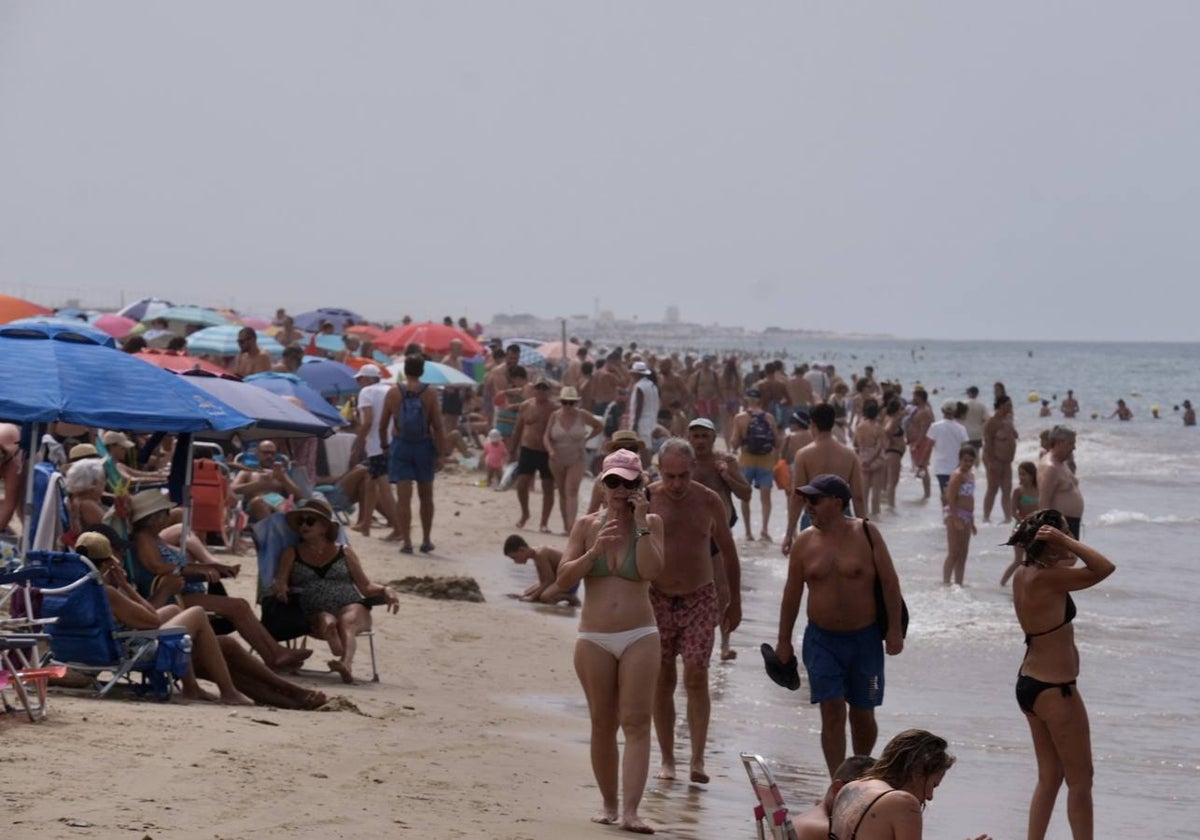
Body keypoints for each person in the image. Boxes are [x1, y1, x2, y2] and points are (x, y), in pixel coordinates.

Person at [76, 530, 326, 710]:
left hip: (120, 642)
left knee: (224, 645)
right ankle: (230, 692)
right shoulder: (107, 592)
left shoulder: (78, 586)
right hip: (131, 648)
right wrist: (125, 586)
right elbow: (151, 619)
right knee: (195, 615)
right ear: (108, 562)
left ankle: (290, 697)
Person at [555, 449, 665, 834]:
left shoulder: (651, 523)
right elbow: (563, 579)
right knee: (602, 722)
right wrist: (594, 552)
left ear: (641, 485)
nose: (621, 490)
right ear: (602, 484)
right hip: (594, 637)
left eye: (629, 483)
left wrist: (641, 525)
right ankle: (608, 804)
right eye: (614, 482)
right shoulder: (586, 526)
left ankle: (632, 811)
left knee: (636, 721)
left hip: (640, 634)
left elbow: (653, 571)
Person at [775, 474, 904, 777]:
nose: (808, 506)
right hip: (821, 640)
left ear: (837, 502)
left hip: (866, 640)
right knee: (831, 709)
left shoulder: (867, 533)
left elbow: (890, 582)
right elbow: (791, 595)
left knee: (862, 712)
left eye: (814, 500)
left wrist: (894, 630)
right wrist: (783, 642)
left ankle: (859, 768)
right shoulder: (804, 543)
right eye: (806, 500)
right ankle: (837, 780)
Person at [1007, 510, 1115, 840]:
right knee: (1081, 780)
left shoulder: (1025, 574)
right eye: (1067, 533)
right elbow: (1105, 567)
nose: (1072, 538)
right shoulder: (1048, 578)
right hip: (1056, 690)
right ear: (1051, 544)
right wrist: (1065, 540)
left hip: (1030, 684)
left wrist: (1059, 541)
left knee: (1050, 777)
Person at [128, 489, 311, 672]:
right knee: (238, 606)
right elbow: (158, 567)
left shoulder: (153, 537)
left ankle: (274, 653)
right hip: (171, 596)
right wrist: (199, 569)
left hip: (180, 591)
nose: (168, 517)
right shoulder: (143, 538)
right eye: (165, 513)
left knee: (239, 606)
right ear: (154, 518)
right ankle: (275, 654)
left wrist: (215, 569)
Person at [647, 438, 741, 784]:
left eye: (683, 476)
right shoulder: (647, 497)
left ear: (692, 471)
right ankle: (668, 759)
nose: (676, 484)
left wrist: (735, 601)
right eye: (669, 476)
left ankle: (698, 759)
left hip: (701, 597)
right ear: (659, 471)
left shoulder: (708, 500)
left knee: (696, 676)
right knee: (662, 678)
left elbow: (729, 552)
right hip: (656, 597)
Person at [272, 498, 399, 683]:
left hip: (350, 603)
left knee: (347, 620)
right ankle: (333, 635)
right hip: (312, 609)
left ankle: (345, 663)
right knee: (325, 618)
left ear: (324, 527)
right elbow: (281, 581)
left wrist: (386, 589)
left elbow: (365, 586)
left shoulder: (344, 551)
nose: (303, 526)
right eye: (301, 522)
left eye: (310, 521)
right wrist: (281, 588)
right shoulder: (292, 552)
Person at [829, 730, 989, 840]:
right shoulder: (902, 802)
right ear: (917, 772)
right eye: (934, 784)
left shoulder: (851, 788)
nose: (930, 796)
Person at [379, 355, 447, 554]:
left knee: (403, 497)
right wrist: (441, 454)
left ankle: (407, 542)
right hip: (423, 447)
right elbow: (438, 426)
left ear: (405, 370)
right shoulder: (430, 393)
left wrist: (385, 447)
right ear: (422, 371)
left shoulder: (393, 392)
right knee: (426, 496)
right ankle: (426, 540)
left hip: (400, 447)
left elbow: (383, 426)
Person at [782, 404, 865, 556]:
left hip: (813, 514)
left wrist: (789, 534)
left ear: (812, 424)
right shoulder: (850, 455)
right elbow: (858, 497)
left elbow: (797, 497)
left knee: (814, 570)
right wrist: (864, 531)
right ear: (832, 423)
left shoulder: (803, 455)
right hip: (842, 516)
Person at [350, 365, 402, 541]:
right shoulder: (391, 390)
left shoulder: (366, 392)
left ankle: (398, 527)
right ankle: (365, 523)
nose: (358, 382)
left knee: (383, 484)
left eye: (360, 379)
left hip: (377, 445)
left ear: (367, 379)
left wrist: (357, 444)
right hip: (393, 442)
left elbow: (368, 421)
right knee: (370, 481)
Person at [544, 386, 604, 535]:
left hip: (577, 457)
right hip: (556, 458)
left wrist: (587, 438)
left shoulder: (582, 415)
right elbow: (546, 436)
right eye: (565, 402)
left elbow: (599, 426)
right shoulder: (554, 416)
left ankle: (572, 527)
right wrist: (550, 450)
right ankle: (566, 525)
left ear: (576, 403)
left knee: (571, 490)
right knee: (563, 492)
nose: (569, 406)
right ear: (561, 402)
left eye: (572, 403)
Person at [730, 388, 779, 542]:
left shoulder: (740, 418)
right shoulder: (769, 417)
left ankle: (748, 532)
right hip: (766, 460)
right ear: (759, 400)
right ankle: (764, 529)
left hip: (747, 460)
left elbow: (735, 442)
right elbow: (777, 442)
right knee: (766, 498)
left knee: (745, 497)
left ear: (747, 400)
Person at [510, 377, 558, 533]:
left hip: (546, 451)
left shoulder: (555, 408)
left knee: (547, 487)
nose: (541, 391)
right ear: (534, 389)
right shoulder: (526, 406)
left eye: (545, 388)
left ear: (549, 391)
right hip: (528, 449)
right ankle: (525, 514)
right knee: (521, 484)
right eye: (539, 388)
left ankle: (544, 522)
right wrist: (512, 450)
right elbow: (518, 430)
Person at [792, 755, 875, 840]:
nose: (871, 808)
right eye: (867, 799)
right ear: (838, 789)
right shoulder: (825, 830)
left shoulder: (809, 817)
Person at [231, 440, 302, 522]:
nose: (269, 456)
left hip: (278, 503)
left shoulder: (281, 473)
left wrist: (283, 479)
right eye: (265, 453)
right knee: (259, 501)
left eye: (272, 453)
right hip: (255, 505)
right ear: (257, 454)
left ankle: (278, 530)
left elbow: (298, 496)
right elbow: (231, 489)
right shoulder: (248, 472)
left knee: (285, 504)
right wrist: (256, 485)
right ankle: (273, 530)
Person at [503, 534, 579, 606]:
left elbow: (549, 580)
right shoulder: (535, 555)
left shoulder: (541, 554)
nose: (515, 562)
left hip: (571, 581)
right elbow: (543, 582)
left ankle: (570, 597)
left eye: (515, 558)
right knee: (527, 592)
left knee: (545, 597)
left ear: (522, 550)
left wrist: (532, 597)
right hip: (560, 580)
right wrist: (524, 595)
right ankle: (556, 593)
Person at [1038, 426, 1083, 539]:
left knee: (1071, 557)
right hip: (1058, 525)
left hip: (1069, 523)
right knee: (1062, 557)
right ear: (1059, 442)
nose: (1074, 448)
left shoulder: (1061, 463)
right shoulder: (1050, 467)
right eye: (1071, 443)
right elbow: (1044, 501)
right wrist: (1048, 531)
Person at [1001, 461, 1040, 586]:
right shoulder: (1018, 491)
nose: (1021, 477)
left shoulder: (1039, 489)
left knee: (1033, 561)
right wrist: (1024, 523)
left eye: (1024, 474)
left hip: (1036, 529)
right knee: (1018, 560)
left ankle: (1027, 586)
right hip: (1021, 529)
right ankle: (1002, 584)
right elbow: (1013, 513)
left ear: (1032, 475)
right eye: (1019, 474)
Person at [943, 444, 978, 586]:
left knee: (963, 553)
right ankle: (946, 583)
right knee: (954, 552)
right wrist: (955, 518)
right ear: (959, 459)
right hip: (954, 513)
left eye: (970, 460)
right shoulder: (957, 475)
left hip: (967, 515)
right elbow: (950, 498)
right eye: (965, 460)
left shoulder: (971, 475)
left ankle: (959, 584)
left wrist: (973, 521)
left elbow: (970, 498)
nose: (968, 463)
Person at [982, 395, 1018, 523]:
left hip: (1007, 462)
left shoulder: (1008, 420)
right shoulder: (992, 422)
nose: (1010, 407)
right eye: (1008, 405)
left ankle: (1007, 518)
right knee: (993, 489)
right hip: (995, 461)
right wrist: (991, 462)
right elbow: (988, 444)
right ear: (1001, 405)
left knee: (1007, 490)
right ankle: (986, 517)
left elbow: (1014, 434)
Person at [927, 399, 969, 501]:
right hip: (957, 467)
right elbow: (966, 449)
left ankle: (946, 514)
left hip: (941, 467)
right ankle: (954, 514)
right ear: (955, 412)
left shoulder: (935, 426)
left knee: (944, 493)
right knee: (957, 494)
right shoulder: (961, 428)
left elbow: (928, 447)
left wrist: (922, 463)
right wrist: (968, 466)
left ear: (942, 410)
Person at [852, 400, 886, 517]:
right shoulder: (878, 427)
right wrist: (872, 459)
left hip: (862, 458)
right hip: (876, 459)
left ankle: (864, 517)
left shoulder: (859, 426)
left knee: (864, 491)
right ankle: (876, 516)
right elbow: (880, 445)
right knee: (876, 492)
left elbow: (855, 443)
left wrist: (863, 457)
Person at [905, 387, 934, 500]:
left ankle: (927, 494)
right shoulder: (916, 410)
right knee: (920, 468)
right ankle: (926, 494)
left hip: (920, 442)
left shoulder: (924, 412)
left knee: (923, 467)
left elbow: (924, 429)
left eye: (915, 397)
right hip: (915, 442)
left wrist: (917, 443)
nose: (913, 399)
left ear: (920, 398)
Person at [629, 361, 660, 465]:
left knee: (643, 449)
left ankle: (646, 471)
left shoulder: (640, 387)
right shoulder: (652, 385)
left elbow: (639, 408)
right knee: (647, 447)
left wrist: (634, 425)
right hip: (651, 421)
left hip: (642, 422)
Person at [880, 399, 905, 512]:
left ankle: (889, 505)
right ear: (897, 409)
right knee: (893, 482)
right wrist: (892, 441)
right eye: (901, 408)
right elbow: (887, 431)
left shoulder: (888, 418)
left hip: (891, 452)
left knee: (891, 482)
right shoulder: (893, 419)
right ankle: (891, 506)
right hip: (894, 452)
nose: (902, 410)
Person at [961, 386, 990, 453]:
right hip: (977, 434)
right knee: (976, 454)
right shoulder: (982, 405)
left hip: (965, 433)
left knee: (964, 455)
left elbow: (958, 418)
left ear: (969, 393)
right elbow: (987, 419)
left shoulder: (963, 404)